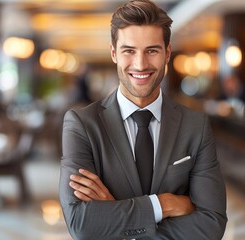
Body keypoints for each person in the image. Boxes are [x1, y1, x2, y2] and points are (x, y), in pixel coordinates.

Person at [59, 0, 227, 239]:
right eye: (129, 50)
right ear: (113, 53)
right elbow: (82, 224)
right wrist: (164, 204)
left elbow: (211, 225)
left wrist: (115, 211)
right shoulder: (82, 124)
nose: (140, 64)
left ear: (167, 53)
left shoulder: (195, 126)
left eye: (152, 50)